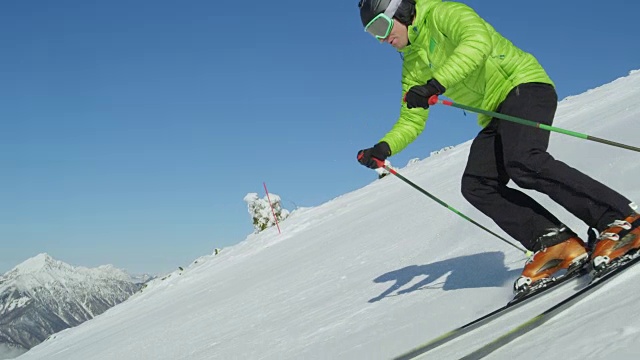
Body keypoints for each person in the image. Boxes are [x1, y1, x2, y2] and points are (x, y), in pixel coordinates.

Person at [355, 0, 640, 291]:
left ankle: (623, 219)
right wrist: (384, 148)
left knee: (524, 160)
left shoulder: (444, 13)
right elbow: (411, 119)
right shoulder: (412, 61)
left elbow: (476, 42)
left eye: (381, 27)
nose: (381, 39)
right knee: (477, 183)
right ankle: (556, 243)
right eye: (372, 34)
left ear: (401, 11)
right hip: (494, 113)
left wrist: (436, 83)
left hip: (524, 86)